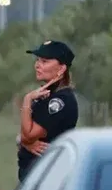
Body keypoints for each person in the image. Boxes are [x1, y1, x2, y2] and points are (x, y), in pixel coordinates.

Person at [18, 40, 78, 180]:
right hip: (35, 171)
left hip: (45, 173)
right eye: (37, 60)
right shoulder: (46, 95)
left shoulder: (60, 100)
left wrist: (27, 100)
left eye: (44, 61)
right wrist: (24, 142)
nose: (37, 65)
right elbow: (23, 135)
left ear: (62, 69)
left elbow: (29, 134)